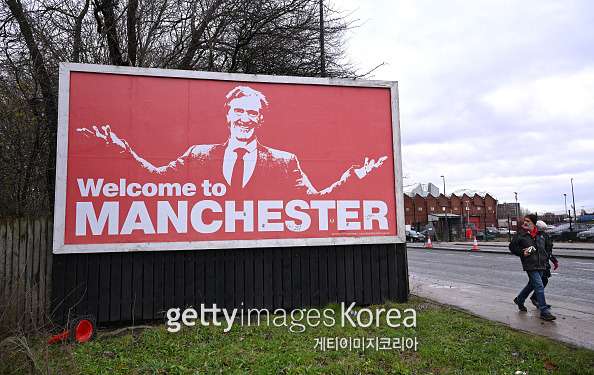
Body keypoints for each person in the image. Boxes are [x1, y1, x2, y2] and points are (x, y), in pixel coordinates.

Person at [78, 86, 387, 196]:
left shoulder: (284, 161)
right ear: (227, 115)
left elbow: (313, 202)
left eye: (251, 113)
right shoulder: (198, 155)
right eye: (238, 111)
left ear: (260, 120)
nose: (243, 118)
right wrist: (125, 152)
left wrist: (352, 177)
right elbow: (156, 181)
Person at [509, 214, 556, 321]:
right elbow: (512, 247)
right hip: (530, 264)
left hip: (542, 264)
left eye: (528, 221)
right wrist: (522, 252)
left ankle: (520, 299)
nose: (525, 223)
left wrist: (549, 256)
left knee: (532, 284)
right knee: (539, 286)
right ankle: (544, 311)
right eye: (524, 220)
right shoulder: (521, 235)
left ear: (533, 223)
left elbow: (548, 245)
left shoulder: (540, 234)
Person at [529, 220, 558, 308]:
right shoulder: (538, 237)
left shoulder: (543, 237)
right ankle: (538, 301)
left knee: (538, 282)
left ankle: (523, 299)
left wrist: (553, 260)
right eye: (543, 229)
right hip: (539, 262)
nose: (545, 231)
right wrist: (553, 260)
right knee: (541, 282)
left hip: (543, 262)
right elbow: (545, 251)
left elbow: (547, 250)